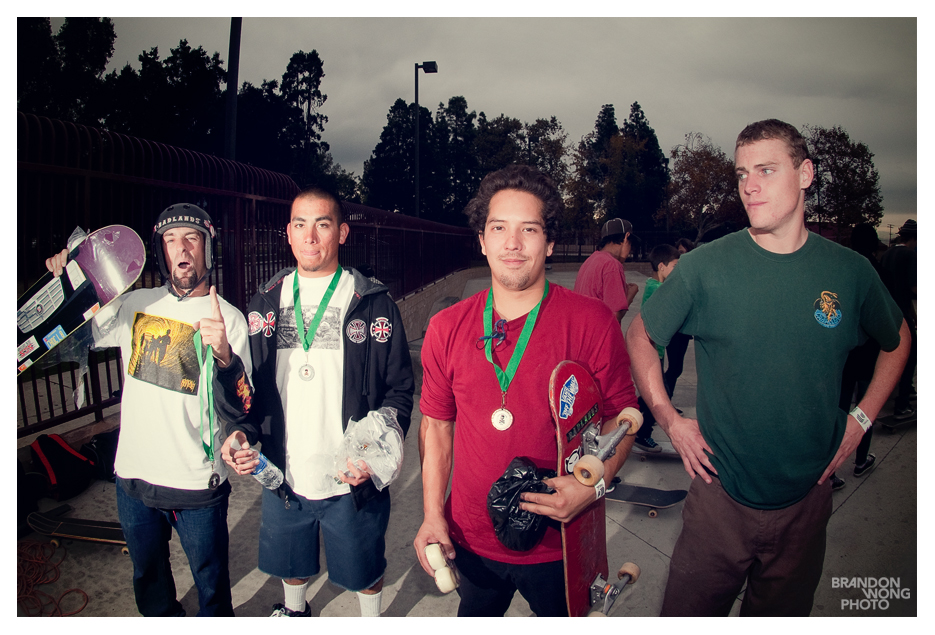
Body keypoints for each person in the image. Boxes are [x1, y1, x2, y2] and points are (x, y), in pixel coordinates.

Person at [626, 119, 910, 616]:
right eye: (741, 174)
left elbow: (899, 338)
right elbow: (641, 335)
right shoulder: (705, 267)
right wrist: (669, 418)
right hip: (719, 498)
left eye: (765, 170)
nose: (749, 186)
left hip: (808, 501)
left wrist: (861, 419)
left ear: (805, 174)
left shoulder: (850, 272)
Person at [414, 164, 639, 617]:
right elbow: (436, 426)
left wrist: (593, 485)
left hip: (561, 540)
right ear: (482, 239)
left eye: (529, 229)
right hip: (470, 539)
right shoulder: (445, 327)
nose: (513, 243)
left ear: (549, 242)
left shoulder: (592, 321)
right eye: (499, 228)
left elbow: (621, 417)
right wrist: (432, 513)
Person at [45, 204, 254, 616]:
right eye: (171, 239)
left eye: (192, 238)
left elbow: (241, 404)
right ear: (160, 250)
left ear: (208, 248)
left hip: (196, 481)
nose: (182, 248)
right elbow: (71, 334)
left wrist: (225, 356)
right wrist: (67, 279)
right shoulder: (133, 304)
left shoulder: (228, 319)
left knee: (212, 585)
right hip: (133, 477)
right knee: (149, 582)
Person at [221, 186, 414, 617]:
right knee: (291, 563)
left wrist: (374, 455)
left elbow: (400, 390)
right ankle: (296, 612)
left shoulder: (373, 303)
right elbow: (251, 390)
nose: (310, 236)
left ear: (341, 233)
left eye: (322, 225)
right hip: (285, 473)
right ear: (288, 233)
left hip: (351, 477)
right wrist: (240, 433)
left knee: (365, 569)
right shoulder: (264, 301)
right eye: (300, 225)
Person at [830, 224, 892, 490]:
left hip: (844, 352)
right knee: (864, 407)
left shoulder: (841, 268)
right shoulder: (876, 271)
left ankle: (830, 470)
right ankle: (860, 459)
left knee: (839, 408)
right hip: (869, 351)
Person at [633, 244, 680, 452]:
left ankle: (631, 411)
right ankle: (643, 434)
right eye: (675, 266)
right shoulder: (658, 289)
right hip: (651, 351)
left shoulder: (655, 286)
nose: (677, 271)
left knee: (652, 394)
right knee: (662, 395)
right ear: (661, 266)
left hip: (656, 350)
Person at [880, 218, 917, 421]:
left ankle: (896, 392)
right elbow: (914, 287)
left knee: (892, 355)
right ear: (914, 238)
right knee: (911, 356)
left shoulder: (888, 254)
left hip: (887, 312)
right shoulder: (910, 255)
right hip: (902, 313)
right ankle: (903, 403)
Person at [573, 217, 640, 323]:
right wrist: (630, 294)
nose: (630, 251)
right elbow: (613, 318)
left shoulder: (592, 259)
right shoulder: (612, 265)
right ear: (626, 237)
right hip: (597, 331)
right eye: (631, 244)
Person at [663, 239, 696, 402]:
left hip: (685, 328)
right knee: (675, 368)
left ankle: (666, 400)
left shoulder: (692, 273)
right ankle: (661, 400)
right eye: (680, 253)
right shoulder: (673, 275)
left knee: (676, 368)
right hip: (674, 328)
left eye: (686, 253)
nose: (683, 256)